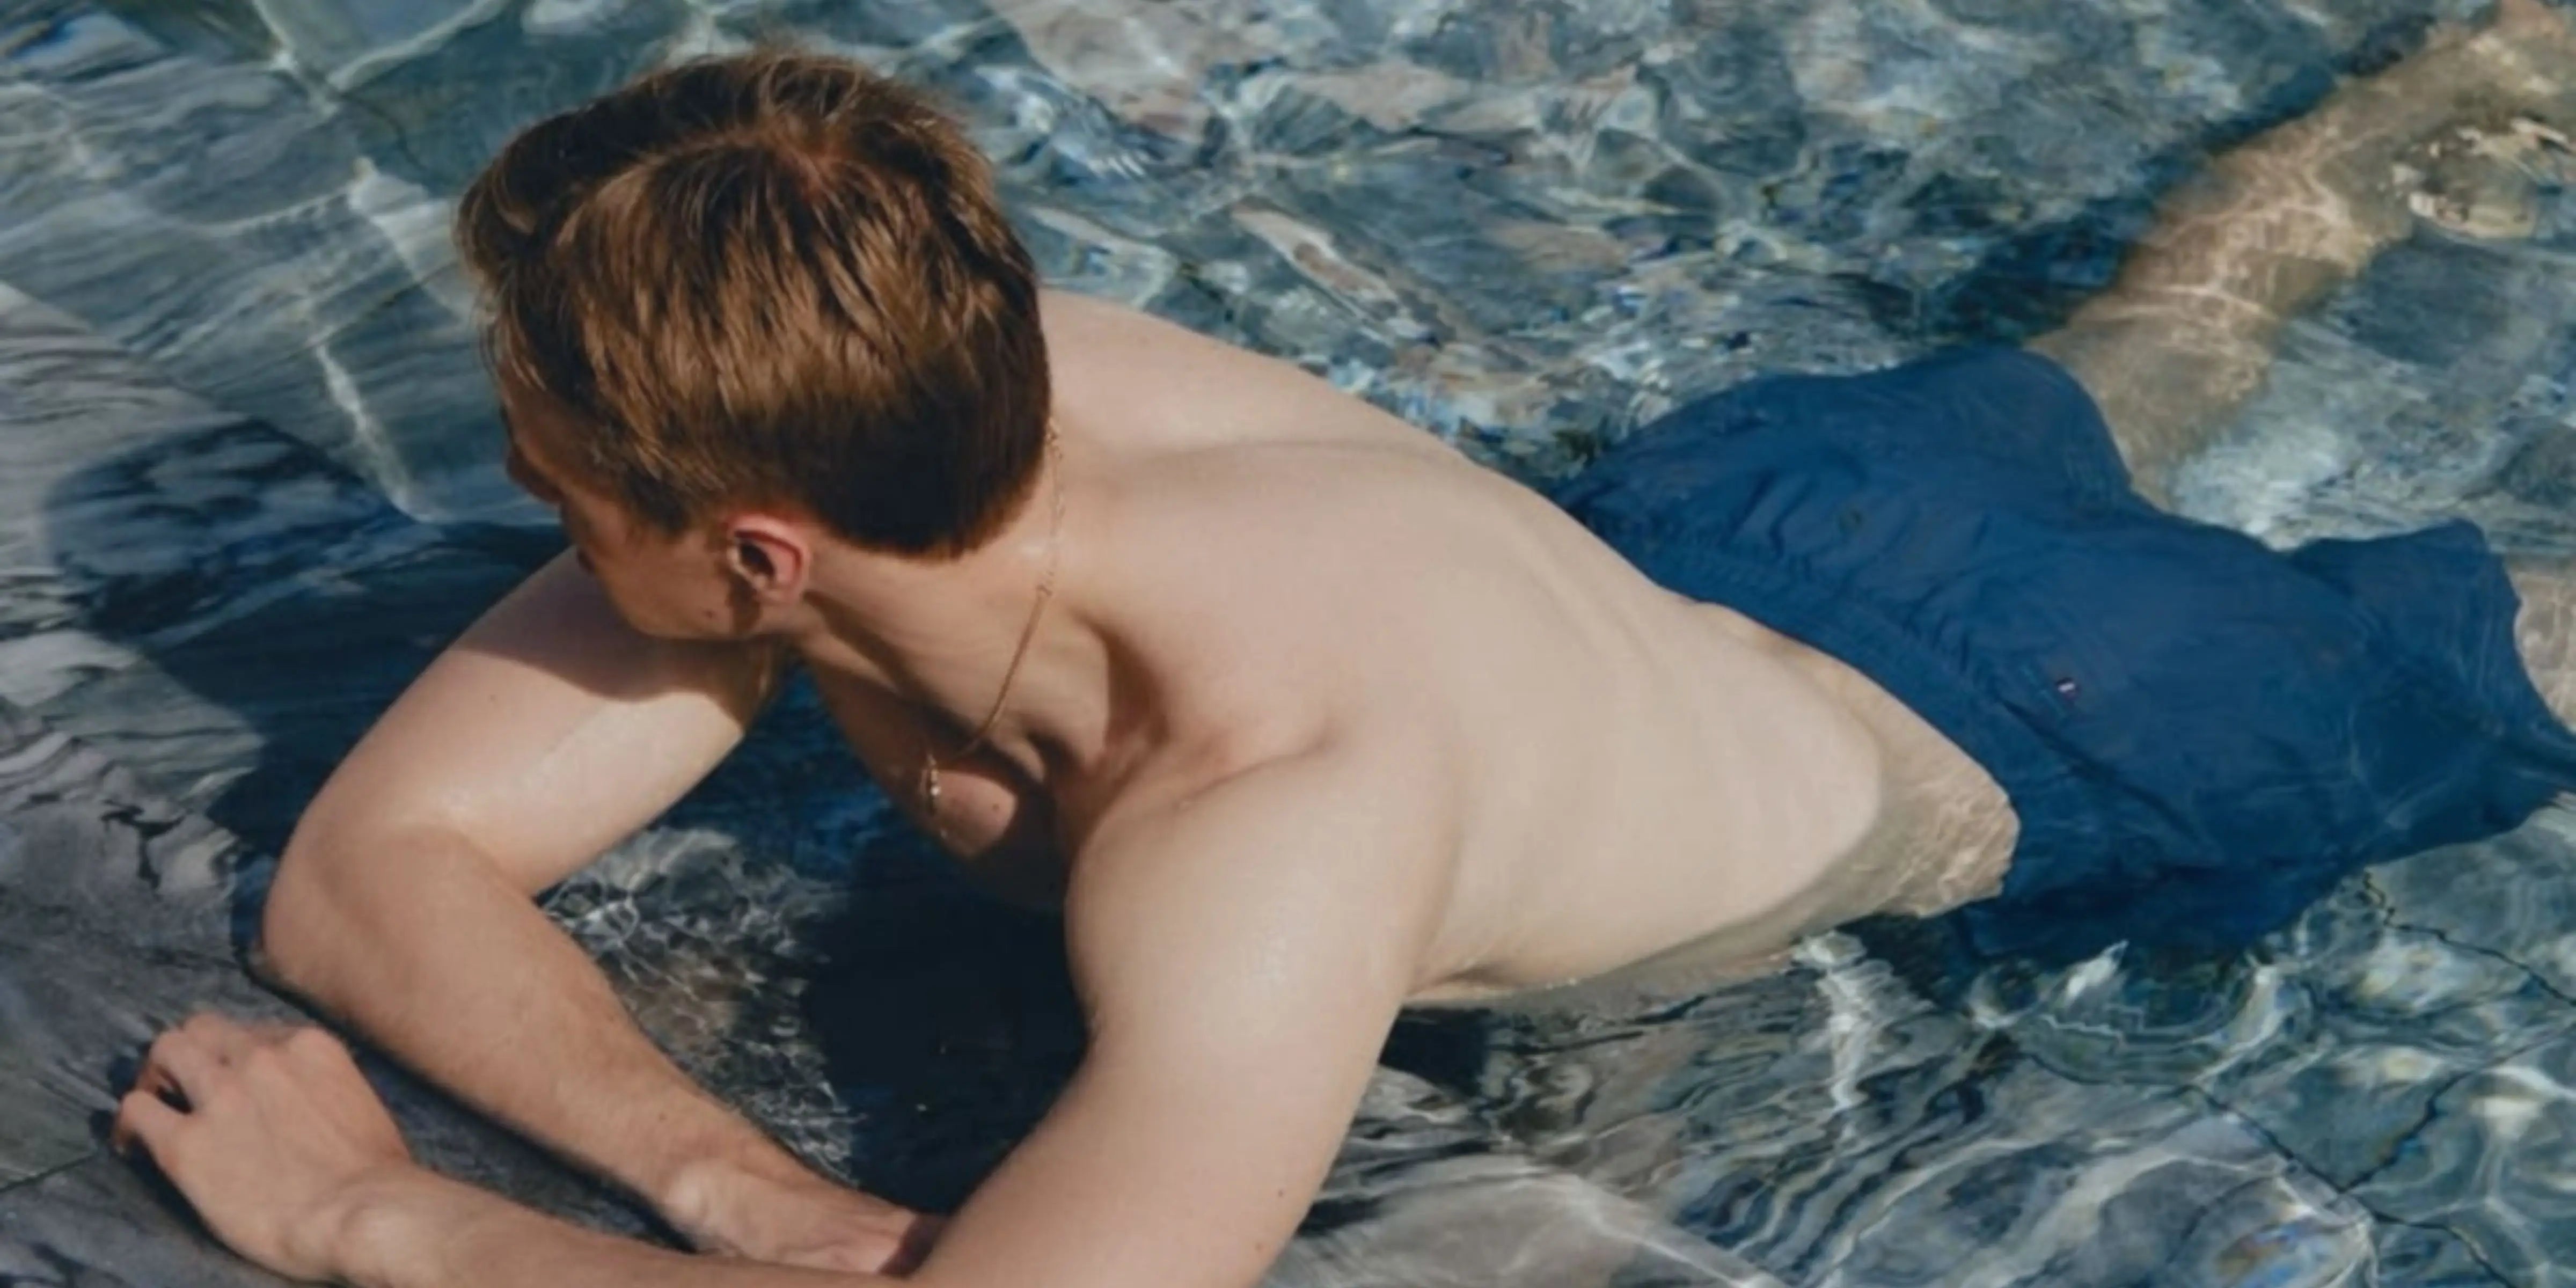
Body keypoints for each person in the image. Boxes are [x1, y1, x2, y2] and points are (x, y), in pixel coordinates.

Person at [107, 4, 2576, 1285]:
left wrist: (375, 1221)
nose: (529, 505)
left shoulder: (1266, 825)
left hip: (2073, 723)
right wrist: (730, 1187)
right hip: (1749, 513)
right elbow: (376, 870)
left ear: (753, 552)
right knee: (2136, 360)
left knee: (2507, 646)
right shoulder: (928, 397)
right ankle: (2443, 101)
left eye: (557, 472)